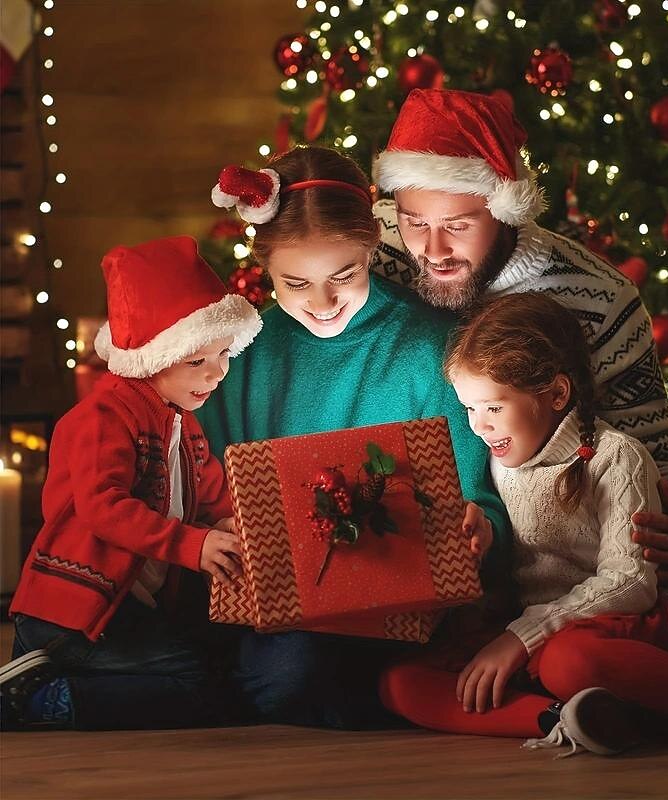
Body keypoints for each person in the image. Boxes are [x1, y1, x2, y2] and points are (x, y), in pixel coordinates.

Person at [379, 292, 668, 752]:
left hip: (640, 631)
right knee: (400, 680)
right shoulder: (500, 458)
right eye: (469, 409)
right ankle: (566, 720)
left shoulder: (615, 457)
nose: (478, 426)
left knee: (568, 662)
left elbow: (630, 585)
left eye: (494, 408)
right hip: (545, 633)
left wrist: (522, 638)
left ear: (557, 394)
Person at [199, 146, 504, 728]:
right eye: (295, 283)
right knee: (291, 667)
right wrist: (220, 528)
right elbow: (206, 485)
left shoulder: (432, 348)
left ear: (373, 248)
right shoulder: (240, 353)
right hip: (280, 609)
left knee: (310, 673)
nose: (322, 304)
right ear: (263, 266)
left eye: (345, 274)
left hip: (405, 605)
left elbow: (479, 492)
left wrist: (481, 527)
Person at [371, 87, 668, 592]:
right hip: (407, 541)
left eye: (459, 226)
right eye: (414, 222)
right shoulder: (370, 253)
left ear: (505, 211)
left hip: (553, 567)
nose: (433, 250)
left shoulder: (601, 299)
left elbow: (649, 448)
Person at [0, 236, 262, 730]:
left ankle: (52, 679)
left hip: (124, 610)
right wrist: (193, 544)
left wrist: (235, 522)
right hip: (73, 612)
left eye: (225, 354)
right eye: (196, 360)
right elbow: (103, 507)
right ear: (150, 355)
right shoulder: (104, 416)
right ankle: (44, 700)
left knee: (216, 670)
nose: (217, 373)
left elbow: (210, 498)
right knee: (197, 683)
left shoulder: (183, 421)